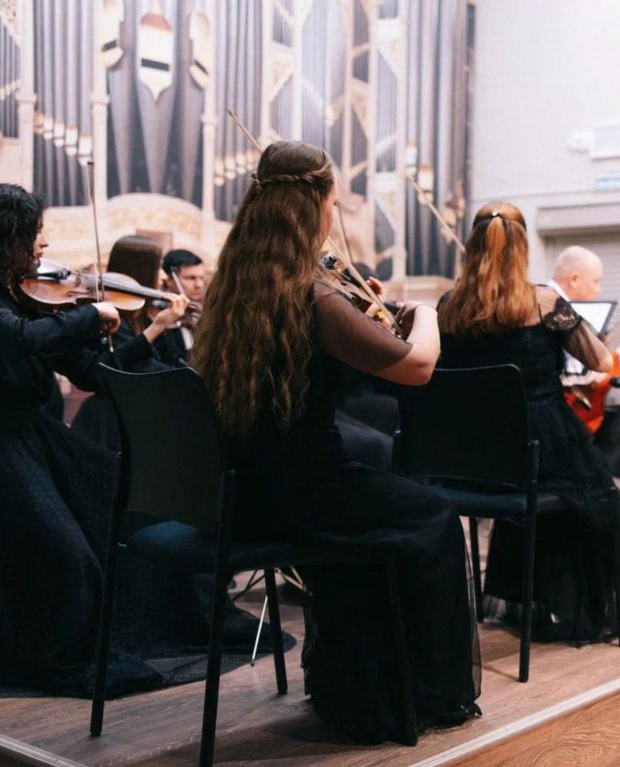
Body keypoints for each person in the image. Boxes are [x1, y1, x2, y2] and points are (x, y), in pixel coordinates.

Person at [190, 140, 480, 743]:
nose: (335, 212)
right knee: (432, 516)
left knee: (380, 514)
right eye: (332, 200)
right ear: (316, 205)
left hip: (242, 494)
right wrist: (426, 314)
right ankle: (421, 691)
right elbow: (417, 367)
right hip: (306, 495)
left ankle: (359, 686)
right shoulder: (314, 295)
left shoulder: (234, 288)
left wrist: (362, 315)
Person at [0, 183, 182, 692]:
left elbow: (90, 374)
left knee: (122, 521)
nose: (44, 243)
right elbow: (18, 339)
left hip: (31, 438)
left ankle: (78, 641)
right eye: (35, 232)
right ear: (6, 234)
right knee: (67, 555)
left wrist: (140, 338)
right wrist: (88, 315)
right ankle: (45, 654)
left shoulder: (29, 295)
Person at [438, 202, 620, 645]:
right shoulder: (542, 301)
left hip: (472, 458)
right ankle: (574, 609)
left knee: (545, 493)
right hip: (540, 446)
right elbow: (602, 361)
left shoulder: (449, 306)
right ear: (522, 249)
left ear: (471, 246)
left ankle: (527, 599)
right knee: (600, 498)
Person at [72, 235, 189, 451]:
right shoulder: (108, 314)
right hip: (109, 425)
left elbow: (156, 364)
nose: (163, 276)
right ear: (140, 270)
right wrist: (157, 328)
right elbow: (118, 366)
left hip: (136, 415)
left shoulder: (141, 313)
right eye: (157, 267)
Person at [549, 245, 620, 478]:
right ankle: (599, 478)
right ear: (574, 279)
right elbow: (585, 372)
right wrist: (601, 367)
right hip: (558, 409)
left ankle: (598, 477)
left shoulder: (551, 301)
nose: (599, 289)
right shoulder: (560, 309)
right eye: (596, 281)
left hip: (557, 403)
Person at [154, 248, 205, 365]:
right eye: (191, 278)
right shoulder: (156, 312)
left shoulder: (200, 311)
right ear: (169, 280)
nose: (199, 285)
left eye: (201, 278)